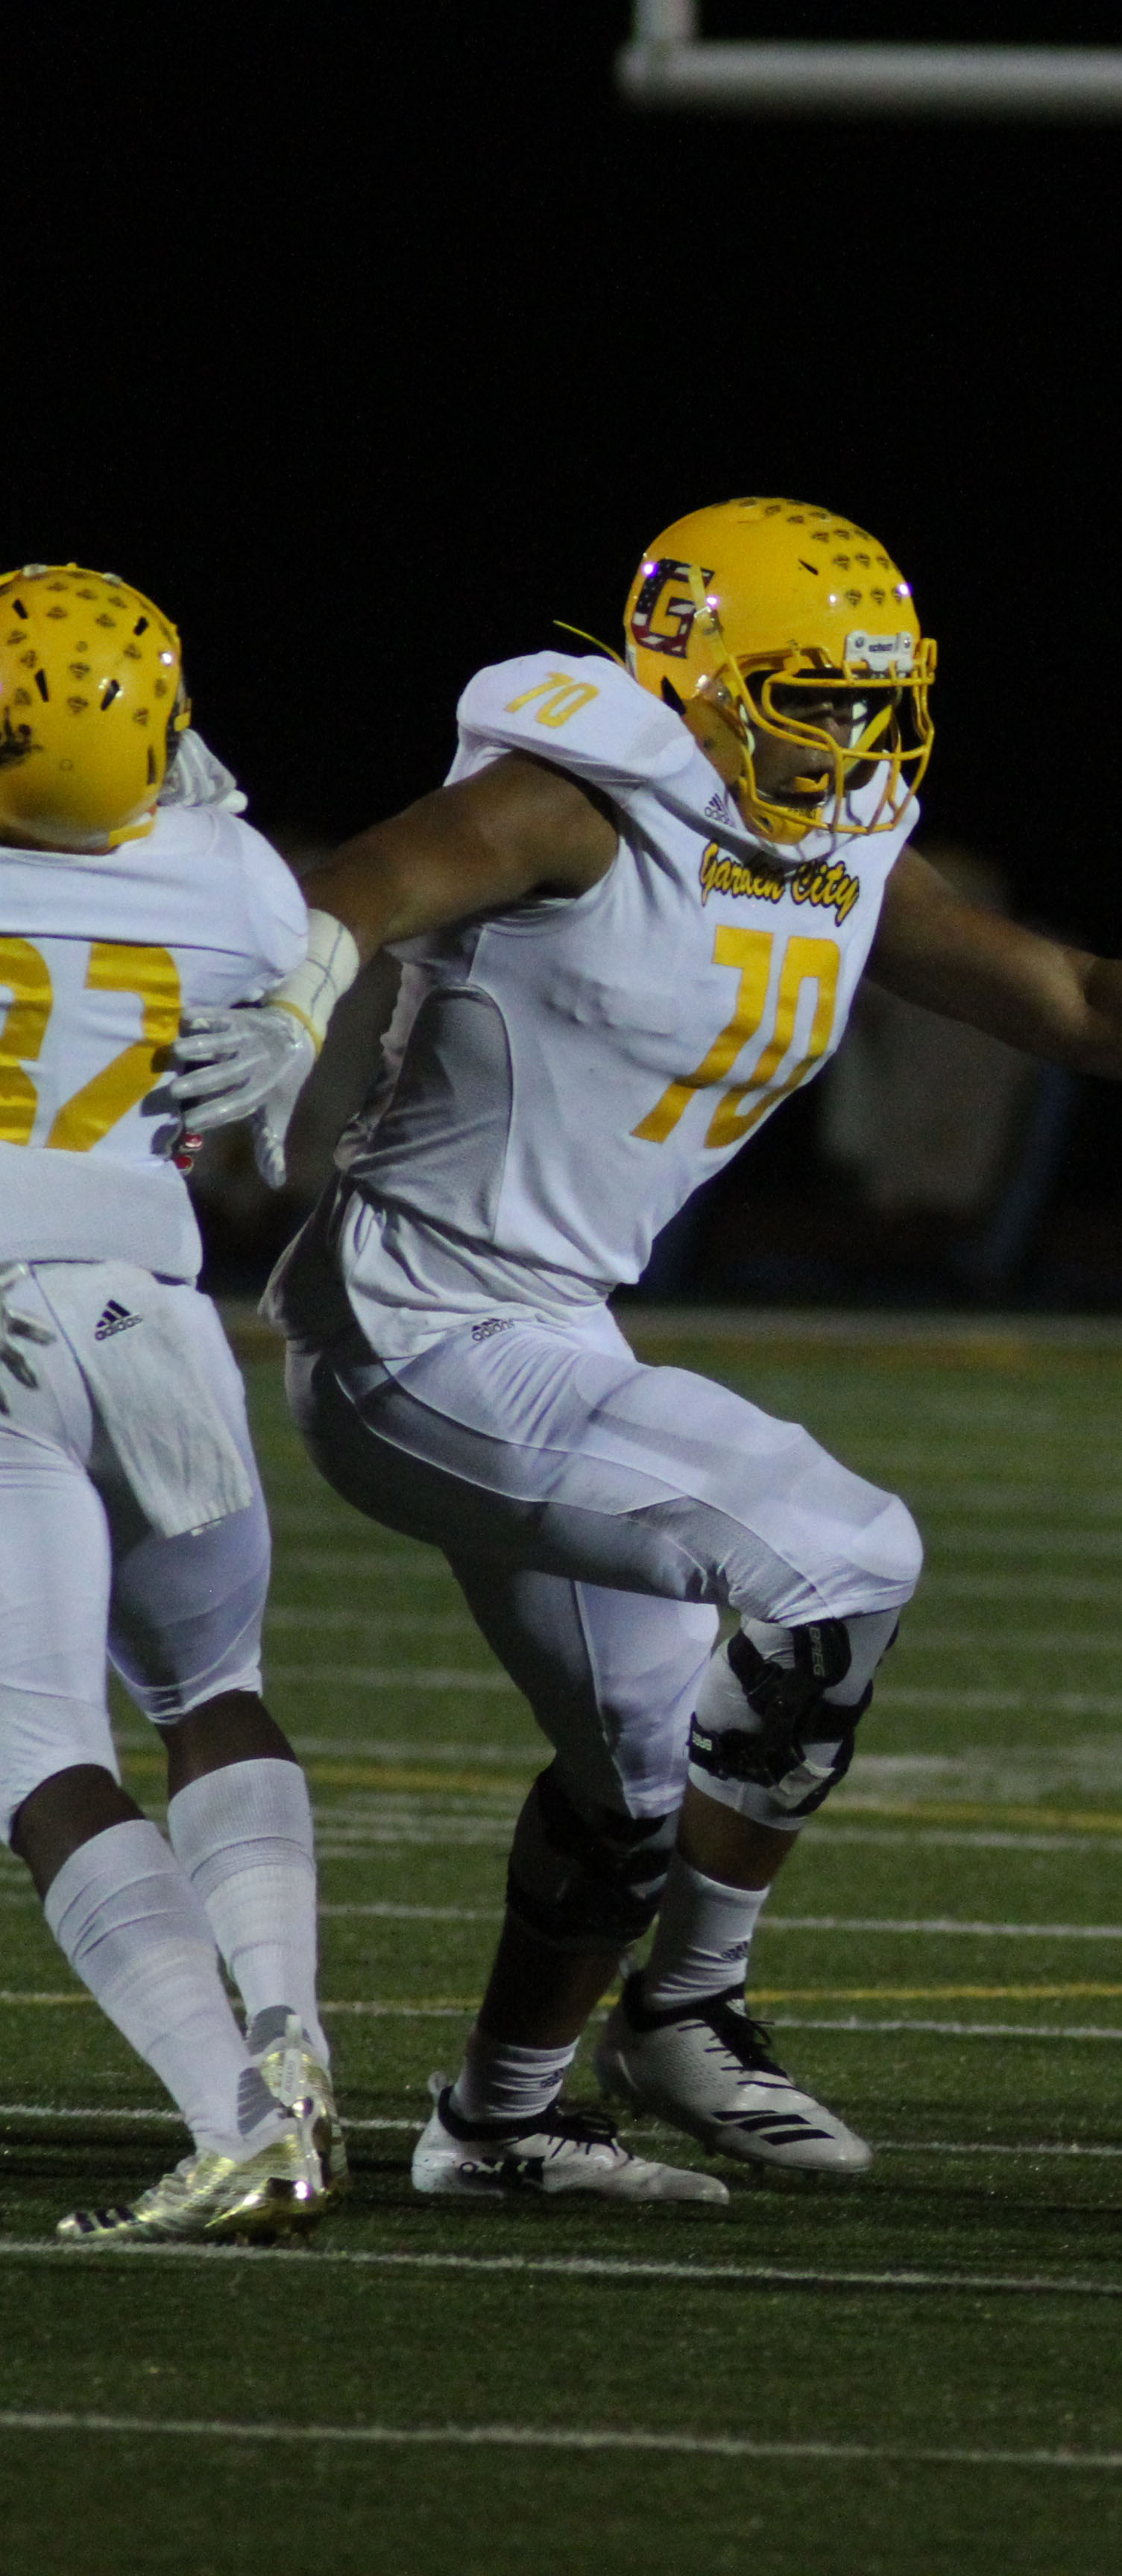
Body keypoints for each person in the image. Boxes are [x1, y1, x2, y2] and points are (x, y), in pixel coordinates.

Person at [164, 497, 1122, 2205]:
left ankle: (497, 2120)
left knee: (637, 1774)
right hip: (417, 1334)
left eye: (872, 696)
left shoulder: (841, 837)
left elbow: (1069, 998)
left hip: (550, 1328)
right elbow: (358, 883)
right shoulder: (583, 788)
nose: (848, 732)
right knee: (845, 1553)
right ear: (690, 663)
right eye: (809, 690)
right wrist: (298, 998)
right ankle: (688, 2007)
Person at [0, 564, 340, 2242]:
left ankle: (234, 2118)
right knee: (214, 1684)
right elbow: (297, 926)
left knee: (37, 1746)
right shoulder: (235, 881)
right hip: (156, 1315)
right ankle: (291, 2037)